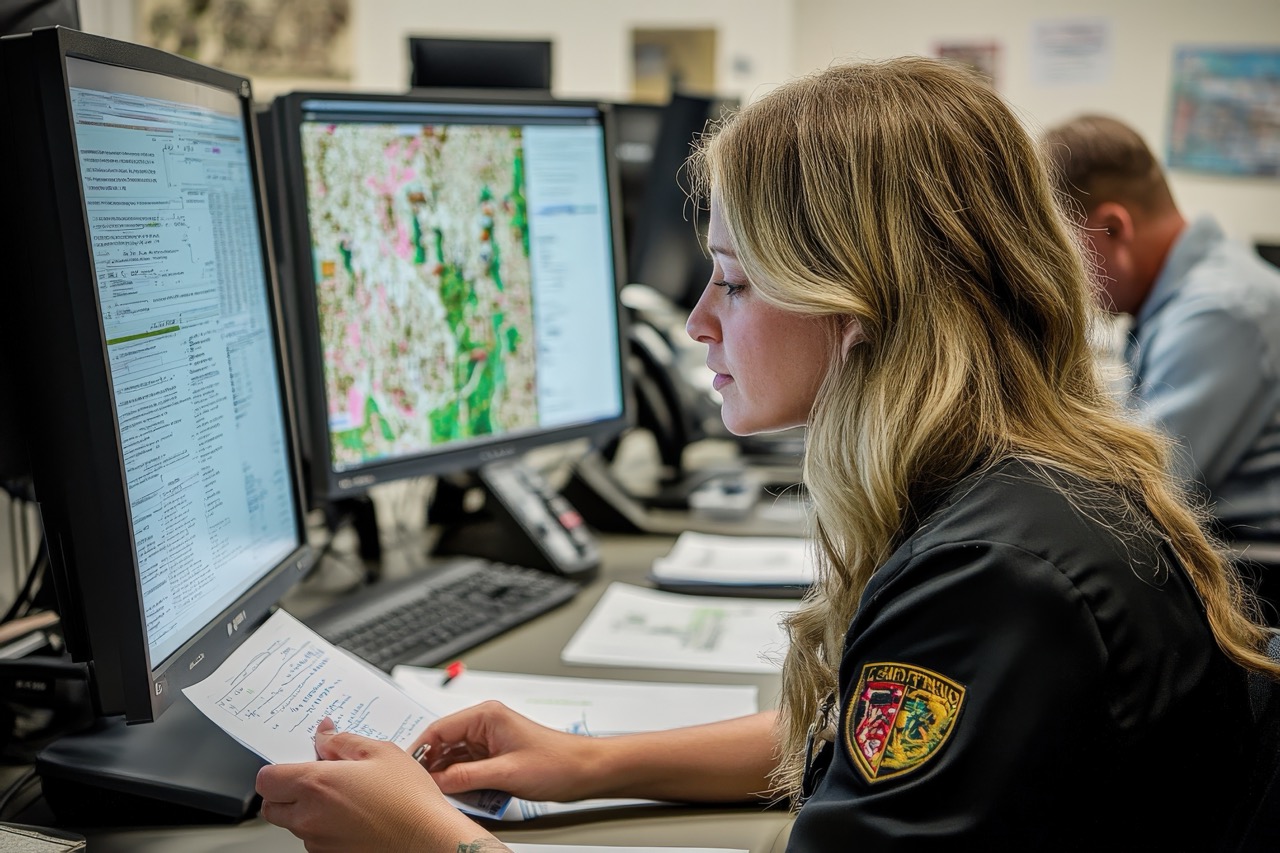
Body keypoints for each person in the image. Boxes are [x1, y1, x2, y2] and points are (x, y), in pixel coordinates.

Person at [255, 58, 1280, 852]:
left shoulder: (996, 576)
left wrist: (429, 836)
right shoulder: (1006, 487)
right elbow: (870, 736)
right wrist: (584, 759)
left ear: (858, 306)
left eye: (733, 282)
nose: (697, 322)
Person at [1041, 114, 1280, 545]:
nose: (1062, 276)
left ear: (1114, 227)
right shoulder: (1180, 299)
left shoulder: (1220, 312)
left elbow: (1140, 496)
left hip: (1255, 576)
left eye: (1063, 251)